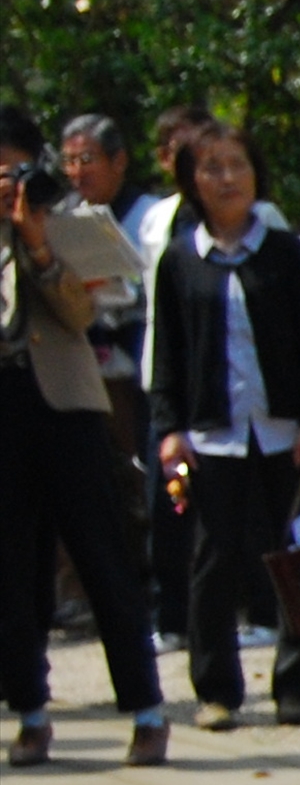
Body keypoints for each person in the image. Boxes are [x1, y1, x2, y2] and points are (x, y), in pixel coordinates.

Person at [143, 123, 300, 731]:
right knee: (215, 559)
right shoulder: (179, 261)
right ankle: (217, 689)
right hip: (212, 433)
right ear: (191, 182)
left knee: (296, 554)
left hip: (281, 428)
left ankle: (296, 685)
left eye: (238, 166)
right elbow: (167, 351)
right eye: (213, 168)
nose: (228, 179)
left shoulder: (284, 252)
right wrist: (170, 428)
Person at [0, 116, 167, 765]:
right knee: (13, 570)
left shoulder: (68, 222)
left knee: (104, 557)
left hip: (65, 405)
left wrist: (37, 244)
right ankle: (31, 711)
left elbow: (81, 313)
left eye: (13, 169)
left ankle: (147, 709)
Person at [56, 111, 164, 606]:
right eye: (70, 160)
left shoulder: (152, 214)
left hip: (142, 356)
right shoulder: (66, 216)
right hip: (88, 362)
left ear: (119, 161)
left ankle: (163, 578)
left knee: (151, 472)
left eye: (88, 159)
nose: (78, 171)